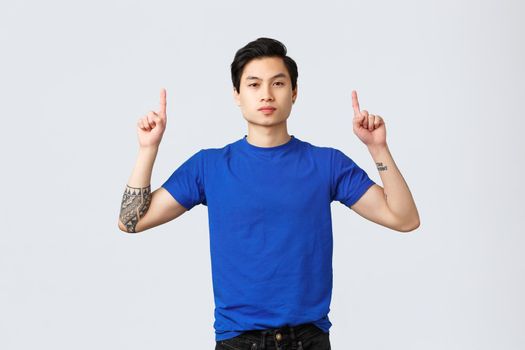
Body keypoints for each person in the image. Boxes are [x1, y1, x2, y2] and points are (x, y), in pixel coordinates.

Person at [118, 37, 420, 350]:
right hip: (238, 341)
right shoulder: (209, 166)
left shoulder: (326, 163)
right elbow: (130, 221)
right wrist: (148, 149)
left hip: (308, 340)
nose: (266, 94)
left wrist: (378, 147)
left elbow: (404, 218)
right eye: (253, 84)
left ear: (294, 92)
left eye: (277, 83)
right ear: (237, 94)